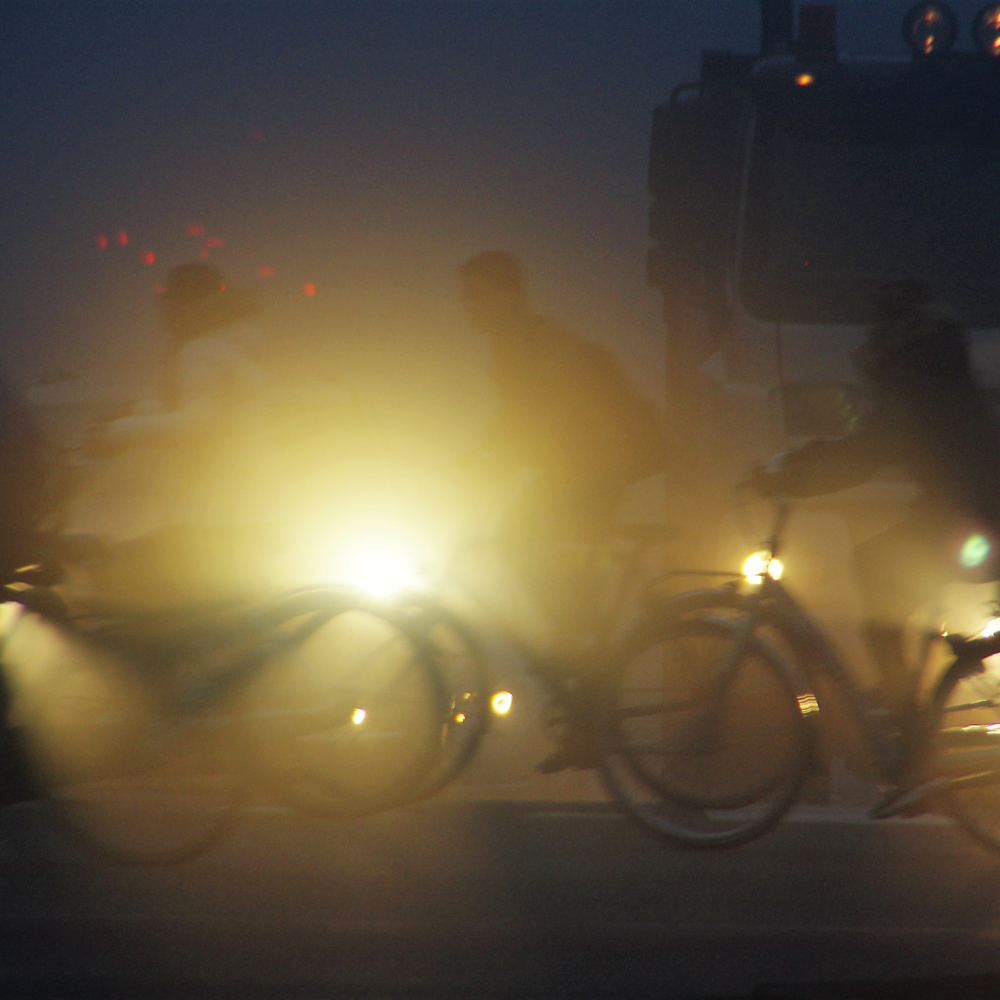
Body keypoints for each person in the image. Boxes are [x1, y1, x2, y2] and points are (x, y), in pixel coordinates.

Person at [752, 280, 1000, 719]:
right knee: (891, 570)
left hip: (975, 523)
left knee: (873, 563)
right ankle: (916, 697)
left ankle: (901, 698)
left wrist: (786, 476)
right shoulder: (942, 367)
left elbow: (860, 456)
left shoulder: (916, 384)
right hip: (972, 516)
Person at [458, 251, 667, 768]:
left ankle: (582, 684)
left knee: (524, 543)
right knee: (542, 562)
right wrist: (477, 459)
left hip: (591, 472)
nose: (469, 306)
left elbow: (549, 418)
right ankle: (583, 702)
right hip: (578, 471)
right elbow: (515, 419)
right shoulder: (513, 344)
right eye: (465, 295)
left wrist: (490, 463)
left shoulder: (536, 344)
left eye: (478, 293)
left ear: (511, 294)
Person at [89, 262, 282, 607]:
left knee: (123, 581)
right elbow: (208, 406)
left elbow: (197, 423)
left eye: (167, 297)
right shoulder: (232, 341)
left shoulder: (200, 349)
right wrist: (133, 416)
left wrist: (120, 432)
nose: (160, 306)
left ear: (183, 300)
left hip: (217, 508)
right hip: (253, 501)